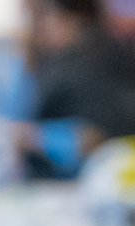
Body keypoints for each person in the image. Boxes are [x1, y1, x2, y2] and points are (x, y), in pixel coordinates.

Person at [10, 0, 135, 179]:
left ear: (72, 19)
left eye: (46, 16)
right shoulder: (111, 50)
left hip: (90, 179)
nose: (40, 27)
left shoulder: (76, 66)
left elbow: (92, 137)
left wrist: (33, 138)